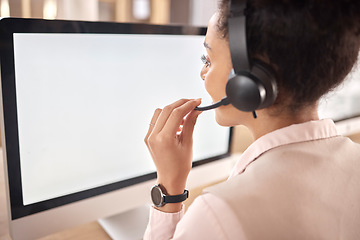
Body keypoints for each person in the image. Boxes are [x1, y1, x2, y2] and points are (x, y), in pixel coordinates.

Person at [143, 0, 360, 239]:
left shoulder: (217, 216)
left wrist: (168, 192)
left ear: (249, 81)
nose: (203, 73)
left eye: (208, 59)